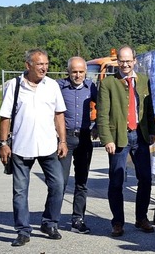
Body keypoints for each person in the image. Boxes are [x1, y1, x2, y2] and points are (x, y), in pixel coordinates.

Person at [0, 48, 68, 247]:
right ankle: (23, 230)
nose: (44, 68)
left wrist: (62, 141)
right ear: (28, 65)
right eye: (39, 64)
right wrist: (3, 144)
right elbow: (5, 117)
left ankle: (50, 223)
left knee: (58, 185)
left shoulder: (52, 85)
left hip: (48, 147)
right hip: (21, 147)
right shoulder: (14, 86)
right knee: (20, 191)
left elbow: (59, 114)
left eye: (46, 64)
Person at [97, 45, 155, 237]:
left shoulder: (143, 81)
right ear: (118, 62)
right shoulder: (108, 83)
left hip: (140, 136)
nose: (125, 64)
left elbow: (148, 109)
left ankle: (141, 218)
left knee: (146, 179)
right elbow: (103, 114)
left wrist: (152, 131)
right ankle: (117, 222)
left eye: (128, 60)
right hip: (119, 137)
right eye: (121, 61)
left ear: (134, 61)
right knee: (116, 181)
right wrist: (107, 139)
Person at [57, 56, 98, 234]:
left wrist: (97, 126)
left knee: (81, 182)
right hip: (64, 140)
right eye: (74, 71)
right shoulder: (58, 87)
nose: (78, 75)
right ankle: (51, 219)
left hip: (84, 139)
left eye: (81, 71)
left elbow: (103, 107)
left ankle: (77, 219)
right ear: (68, 72)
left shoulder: (91, 87)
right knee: (60, 182)